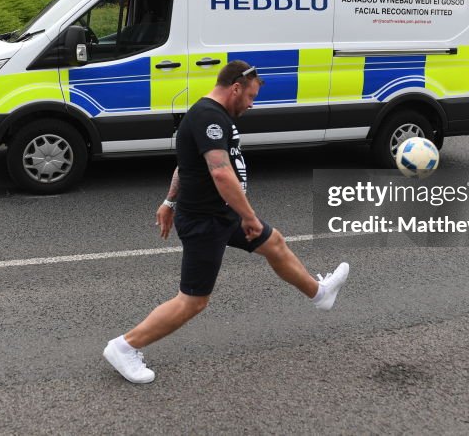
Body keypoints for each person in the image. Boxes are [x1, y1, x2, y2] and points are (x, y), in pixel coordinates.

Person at [103, 60, 350, 384]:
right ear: (235, 87)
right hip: (206, 220)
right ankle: (124, 346)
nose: (251, 104)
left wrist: (168, 201)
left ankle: (319, 294)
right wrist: (248, 217)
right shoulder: (209, 117)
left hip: (222, 213)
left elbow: (186, 165)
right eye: (250, 96)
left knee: (274, 243)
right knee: (193, 300)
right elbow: (219, 171)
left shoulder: (211, 116)